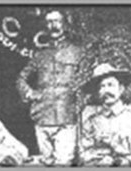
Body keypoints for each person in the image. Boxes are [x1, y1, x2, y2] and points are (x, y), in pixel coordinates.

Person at [16, 10, 84, 166]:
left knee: (64, 162)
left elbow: (86, 82)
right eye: (49, 22)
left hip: (67, 116)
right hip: (42, 116)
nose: (53, 26)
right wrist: (30, 93)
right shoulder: (40, 55)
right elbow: (21, 78)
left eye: (57, 21)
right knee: (46, 163)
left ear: (65, 24)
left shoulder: (78, 52)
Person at [79, 63, 131, 166]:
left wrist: (127, 160)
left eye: (110, 85)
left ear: (121, 89)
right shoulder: (92, 120)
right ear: (97, 93)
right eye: (101, 87)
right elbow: (84, 154)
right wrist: (100, 160)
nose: (106, 90)